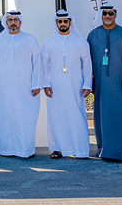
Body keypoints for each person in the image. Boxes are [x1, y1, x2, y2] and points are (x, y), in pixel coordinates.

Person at [87, 4, 122, 161]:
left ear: (116, 15)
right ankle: (104, 148)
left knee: (121, 117)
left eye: (110, 13)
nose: (107, 16)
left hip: (120, 87)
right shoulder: (93, 35)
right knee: (102, 118)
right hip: (101, 86)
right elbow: (87, 62)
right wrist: (90, 84)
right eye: (104, 14)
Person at [0, 10, 42, 158]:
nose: (13, 23)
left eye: (16, 20)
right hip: (4, 87)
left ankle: (25, 150)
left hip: (25, 87)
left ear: (20, 22)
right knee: (5, 118)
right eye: (10, 20)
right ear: (6, 22)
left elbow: (37, 63)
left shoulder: (29, 40)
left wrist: (36, 84)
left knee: (24, 118)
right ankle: (5, 148)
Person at [41, 11, 92, 159]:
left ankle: (80, 149)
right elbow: (44, 65)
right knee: (56, 117)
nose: (62, 24)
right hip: (55, 86)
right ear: (56, 23)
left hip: (76, 86)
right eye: (60, 22)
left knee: (77, 117)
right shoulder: (49, 42)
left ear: (70, 22)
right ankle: (56, 148)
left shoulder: (80, 41)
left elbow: (88, 65)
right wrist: (46, 83)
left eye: (65, 21)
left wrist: (87, 84)